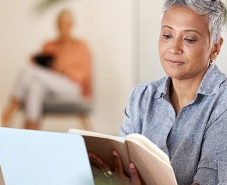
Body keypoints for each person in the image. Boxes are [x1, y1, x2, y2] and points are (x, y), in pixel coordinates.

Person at [89, 0, 227, 184]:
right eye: (167, 35)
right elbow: (121, 168)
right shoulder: (140, 97)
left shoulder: (223, 102)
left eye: (189, 39)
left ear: (215, 48)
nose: (174, 48)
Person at [1, 9, 92, 130]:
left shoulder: (81, 45)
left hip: (73, 88)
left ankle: (9, 111)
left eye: (65, 23)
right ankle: (31, 129)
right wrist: (38, 60)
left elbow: (84, 76)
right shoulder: (49, 45)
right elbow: (41, 70)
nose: (62, 26)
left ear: (72, 24)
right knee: (34, 86)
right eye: (59, 23)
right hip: (49, 86)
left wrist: (62, 69)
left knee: (28, 71)